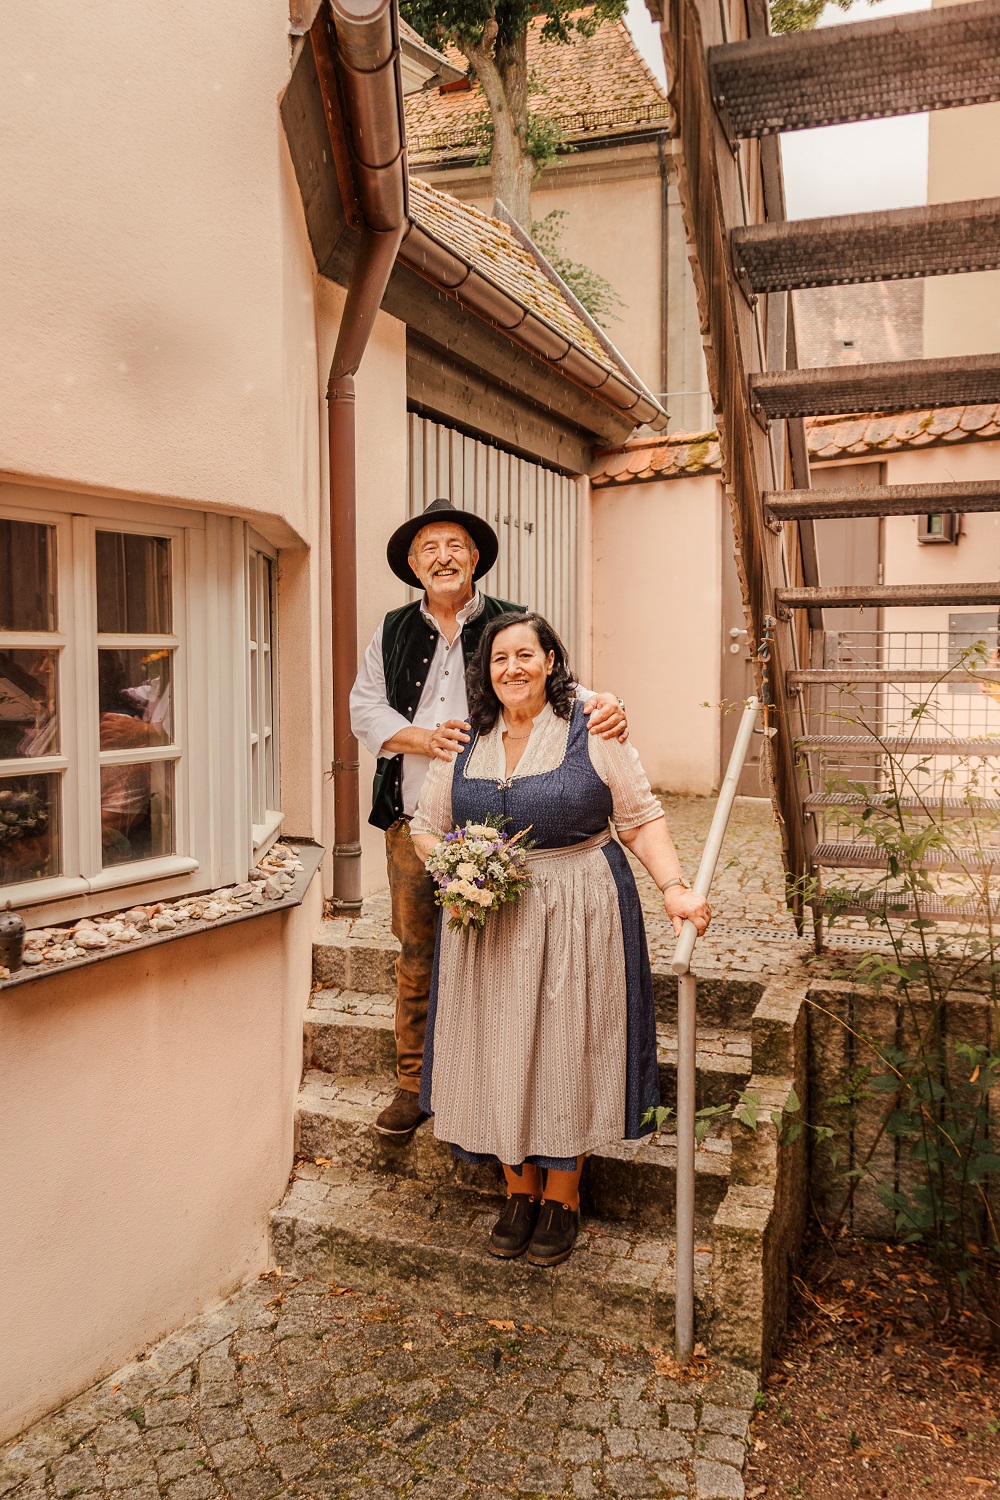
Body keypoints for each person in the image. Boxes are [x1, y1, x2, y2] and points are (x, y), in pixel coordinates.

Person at [408, 611, 710, 1267]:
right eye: (498, 659)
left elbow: (640, 817)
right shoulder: (465, 738)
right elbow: (426, 827)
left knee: (567, 1045)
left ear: (550, 660)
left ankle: (563, 1196)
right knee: (500, 1045)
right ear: (485, 672)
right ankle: (517, 1188)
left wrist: (675, 886)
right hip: (487, 922)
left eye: (525, 655)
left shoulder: (592, 724)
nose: (512, 668)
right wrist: (458, 867)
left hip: (580, 910)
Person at [350, 498, 629, 1138]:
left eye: (454, 546)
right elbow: (364, 709)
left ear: (475, 558)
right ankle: (414, 1085)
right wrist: (422, 740)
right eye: (428, 549)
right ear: (413, 565)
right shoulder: (391, 630)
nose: (442, 558)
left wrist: (608, 703)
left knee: (507, 953)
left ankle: (500, 1076)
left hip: (504, 818)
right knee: (419, 950)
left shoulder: (512, 622)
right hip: (415, 819)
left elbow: (558, 689)